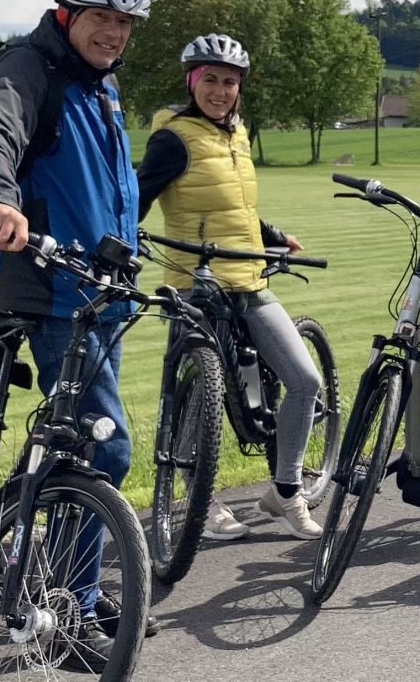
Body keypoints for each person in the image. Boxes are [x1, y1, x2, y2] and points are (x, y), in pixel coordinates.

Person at [0, 0, 154, 661]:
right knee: (105, 446)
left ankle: (33, 577)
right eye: (102, 17)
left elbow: (107, 186)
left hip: (99, 293)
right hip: (49, 289)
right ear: (66, 14)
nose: (114, 33)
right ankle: (72, 610)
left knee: (72, 443)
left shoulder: (102, 86)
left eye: (125, 23)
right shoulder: (28, 68)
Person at [136, 35, 324, 541]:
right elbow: (137, 197)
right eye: (211, 80)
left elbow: (232, 208)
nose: (220, 91)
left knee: (304, 381)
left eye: (230, 82)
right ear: (192, 82)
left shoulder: (236, 135)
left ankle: (285, 492)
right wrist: (118, 246)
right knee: (201, 394)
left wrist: (272, 235)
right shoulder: (173, 139)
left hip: (248, 278)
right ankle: (200, 500)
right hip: (195, 286)